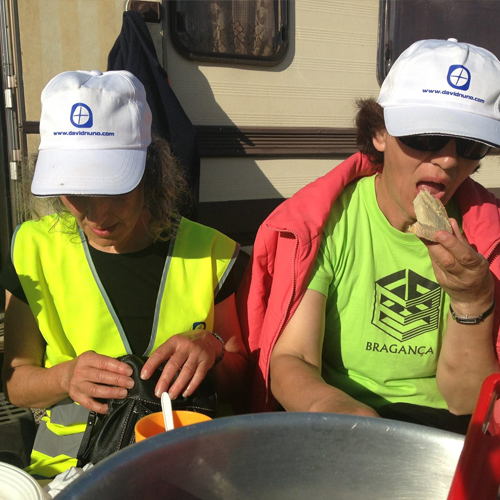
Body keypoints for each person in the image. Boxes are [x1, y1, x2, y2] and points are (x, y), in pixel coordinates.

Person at [237, 38, 500, 433]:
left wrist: (472, 300)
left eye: (469, 145)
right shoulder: (328, 221)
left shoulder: (483, 241)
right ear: (380, 132)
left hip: (438, 426)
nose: (448, 159)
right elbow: (293, 358)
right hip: (338, 416)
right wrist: (338, 411)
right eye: (426, 137)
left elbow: (464, 400)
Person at [1, 69, 248, 477]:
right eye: (75, 191)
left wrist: (213, 348)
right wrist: (65, 377)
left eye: (115, 188)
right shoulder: (33, 249)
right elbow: (16, 382)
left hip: (189, 466)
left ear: (152, 169)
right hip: (71, 472)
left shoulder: (212, 253)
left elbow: (240, 378)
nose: (96, 214)